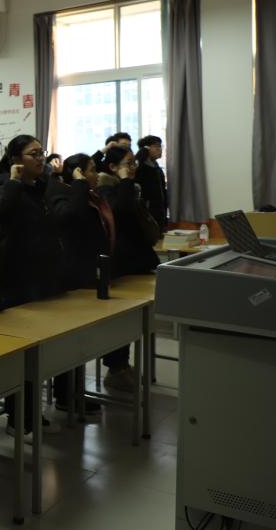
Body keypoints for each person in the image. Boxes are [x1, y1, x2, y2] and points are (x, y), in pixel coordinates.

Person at [0, 136, 62, 435]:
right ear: (16, 159)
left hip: (43, 277)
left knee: (39, 351)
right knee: (22, 353)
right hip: (18, 280)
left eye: (41, 152)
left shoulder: (41, 186)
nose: (41, 158)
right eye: (33, 154)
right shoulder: (5, 185)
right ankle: (18, 416)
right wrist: (14, 182)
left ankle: (31, 410)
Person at [46, 153, 114, 413]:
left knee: (80, 342)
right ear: (78, 174)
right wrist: (79, 184)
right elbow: (71, 218)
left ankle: (74, 392)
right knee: (70, 342)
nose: (96, 174)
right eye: (91, 170)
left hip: (89, 273)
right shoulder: (61, 193)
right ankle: (66, 395)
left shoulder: (89, 195)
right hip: (72, 277)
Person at [96, 146, 159, 393]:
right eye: (127, 163)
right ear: (112, 167)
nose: (132, 168)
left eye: (134, 163)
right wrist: (124, 181)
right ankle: (116, 367)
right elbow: (119, 211)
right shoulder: (105, 188)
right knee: (120, 320)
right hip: (121, 264)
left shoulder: (129, 187)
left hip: (137, 259)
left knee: (132, 320)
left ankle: (122, 366)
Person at [134, 135, 168, 231]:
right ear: (146, 149)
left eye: (160, 146)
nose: (159, 149)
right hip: (148, 213)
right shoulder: (141, 167)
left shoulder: (157, 168)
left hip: (160, 213)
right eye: (156, 146)